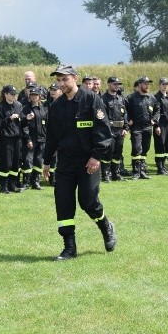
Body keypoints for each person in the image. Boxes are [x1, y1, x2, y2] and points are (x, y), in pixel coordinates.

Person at [43, 65, 116, 261]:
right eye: (59, 80)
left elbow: (103, 131)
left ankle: (106, 226)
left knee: (88, 201)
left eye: (64, 79)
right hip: (66, 163)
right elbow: (51, 137)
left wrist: (96, 156)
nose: (61, 83)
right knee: (63, 203)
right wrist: (47, 161)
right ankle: (69, 247)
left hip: (88, 162)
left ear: (74, 78)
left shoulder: (91, 99)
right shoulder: (56, 106)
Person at [125, 76, 158, 179]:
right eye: (145, 84)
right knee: (136, 149)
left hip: (147, 128)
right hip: (136, 128)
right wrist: (128, 119)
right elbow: (125, 110)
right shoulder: (131, 98)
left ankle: (142, 171)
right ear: (139, 85)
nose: (147, 86)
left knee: (145, 149)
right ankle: (136, 172)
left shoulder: (152, 98)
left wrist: (155, 119)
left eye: (148, 84)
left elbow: (158, 110)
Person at [0, 85, 24, 193]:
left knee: (16, 162)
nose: (13, 96)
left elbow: (22, 120)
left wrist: (26, 118)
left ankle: (12, 184)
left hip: (17, 138)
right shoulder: (1, 107)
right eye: (11, 94)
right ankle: (4, 186)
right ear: (5, 94)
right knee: (6, 163)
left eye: (14, 94)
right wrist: (9, 118)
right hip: (5, 138)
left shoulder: (18, 105)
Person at [100, 76, 127, 181]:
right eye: (114, 84)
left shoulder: (121, 99)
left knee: (118, 153)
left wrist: (125, 128)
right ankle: (106, 174)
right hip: (109, 130)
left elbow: (124, 114)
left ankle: (116, 173)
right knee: (108, 153)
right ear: (108, 85)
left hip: (120, 130)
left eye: (118, 84)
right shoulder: (103, 99)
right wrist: (106, 130)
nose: (117, 86)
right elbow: (102, 116)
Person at [21, 85, 47, 190]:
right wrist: (28, 139)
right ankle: (26, 182)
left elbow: (46, 124)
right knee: (28, 161)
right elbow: (24, 125)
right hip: (31, 140)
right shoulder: (26, 108)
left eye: (36, 95)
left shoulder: (43, 108)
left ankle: (36, 182)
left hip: (42, 139)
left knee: (38, 161)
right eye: (32, 95)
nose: (34, 97)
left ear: (39, 96)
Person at [152, 78, 168, 175]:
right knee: (160, 145)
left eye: (167, 84)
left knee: (166, 146)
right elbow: (155, 112)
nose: (165, 86)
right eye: (163, 84)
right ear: (159, 85)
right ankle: (159, 167)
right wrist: (156, 126)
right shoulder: (156, 97)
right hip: (160, 124)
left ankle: (164, 166)